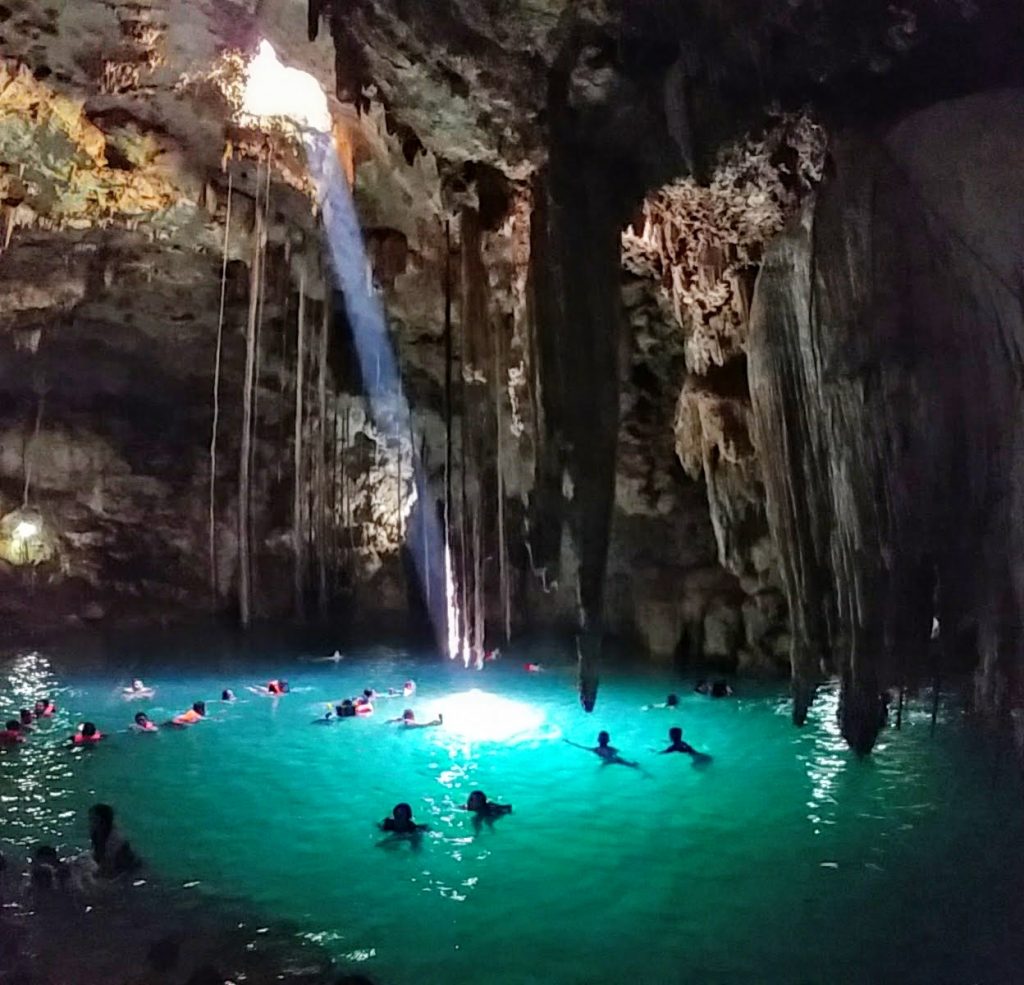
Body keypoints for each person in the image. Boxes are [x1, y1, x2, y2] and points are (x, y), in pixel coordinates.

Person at [89, 803, 141, 876]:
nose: (90, 823)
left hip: (129, 871)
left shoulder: (116, 842)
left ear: (103, 822)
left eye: (94, 820)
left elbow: (109, 869)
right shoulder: (98, 833)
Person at [564, 731, 643, 771]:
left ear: (598, 740)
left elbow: (580, 747)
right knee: (631, 765)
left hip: (607, 761)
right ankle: (643, 772)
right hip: (617, 759)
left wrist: (568, 742)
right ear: (608, 740)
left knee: (599, 769)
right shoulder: (613, 749)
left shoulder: (596, 750)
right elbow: (623, 753)